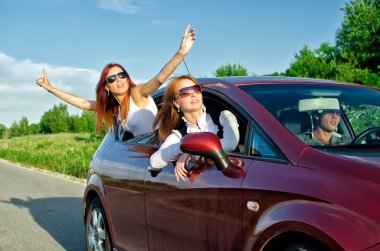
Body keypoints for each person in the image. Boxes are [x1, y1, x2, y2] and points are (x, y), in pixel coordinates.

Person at [35, 25, 196, 137]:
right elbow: (83, 104)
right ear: (106, 86)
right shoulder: (113, 108)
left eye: (122, 75)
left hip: (163, 146)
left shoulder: (137, 93)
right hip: (145, 153)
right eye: (112, 78)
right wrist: (51, 88)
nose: (118, 79)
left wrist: (181, 53)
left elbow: (160, 78)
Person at [149, 75, 240, 181]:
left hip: (234, 178)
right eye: (185, 92)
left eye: (196, 89)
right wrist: (184, 148)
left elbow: (231, 143)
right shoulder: (179, 135)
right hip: (208, 184)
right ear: (176, 102)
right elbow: (155, 162)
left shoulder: (224, 115)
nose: (193, 94)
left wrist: (191, 151)